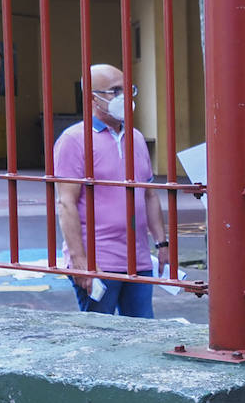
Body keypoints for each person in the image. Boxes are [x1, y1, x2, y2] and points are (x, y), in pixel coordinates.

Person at [54, 64, 168, 317]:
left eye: (128, 89)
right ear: (92, 97)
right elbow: (66, 203)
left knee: (142, 335)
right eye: (115, 91)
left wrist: (162, 243)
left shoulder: (136, 138)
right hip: (99, 262)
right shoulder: (74, 139)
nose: (124, 97)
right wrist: (80, 261)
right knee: (100, 339)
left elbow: (149, 194)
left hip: (137, 260)